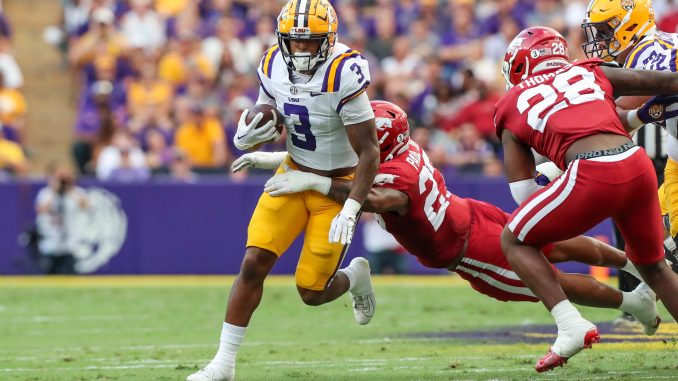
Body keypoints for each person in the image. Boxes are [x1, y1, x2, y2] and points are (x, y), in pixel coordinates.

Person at [236, 99, 660, 338]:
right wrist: (281, 160)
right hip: (469, 212)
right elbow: (348, 167)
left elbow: (370, 197)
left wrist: (308, 182)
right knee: (556, 244)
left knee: (552, 281)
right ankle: (634, 264)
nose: (353, 143)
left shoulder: (391, 174)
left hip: (465, 248)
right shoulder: (405, 149)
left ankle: (633, 301)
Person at [187, 1, 380, 380]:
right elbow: (268, 113)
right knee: (253, 261)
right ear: (282, 39)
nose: (303, 50)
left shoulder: (344, 72)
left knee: (311, 290)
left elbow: (369, 152)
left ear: (329, 40)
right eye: (296, 42)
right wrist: (249, 134)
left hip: (334, 186)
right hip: (292, 175)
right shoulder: (273, 63)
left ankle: (355, 276)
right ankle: (223, 364)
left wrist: (352, 207)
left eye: (312, 43)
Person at [495, 26, 678, 372]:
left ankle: (569, 324)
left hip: (590, 173)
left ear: (518, 67)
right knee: (654, 266)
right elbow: (668, 82)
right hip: (636, 165)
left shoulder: (511, 103)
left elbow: (524, 196)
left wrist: (557, 175)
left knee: (514, 238)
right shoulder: (590, 70)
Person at [582, 0, 678, 325]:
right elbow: (630, 116)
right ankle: (646, 293)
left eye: (607, 29)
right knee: (662, 235)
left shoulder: (648, 54)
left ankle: (647, 292)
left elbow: (612, 118)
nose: (603, 38)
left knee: (671, 242)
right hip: (676, 155)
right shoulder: (658, 43)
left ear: (630, 25)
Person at [34, 161, 89, 274]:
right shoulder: (46, 193)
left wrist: (70, 189)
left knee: (71, 277)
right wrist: (55, 191)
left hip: (71, 245)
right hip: (50, 242)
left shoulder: (77, 193)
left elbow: (85, 205)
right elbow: (41, 210)